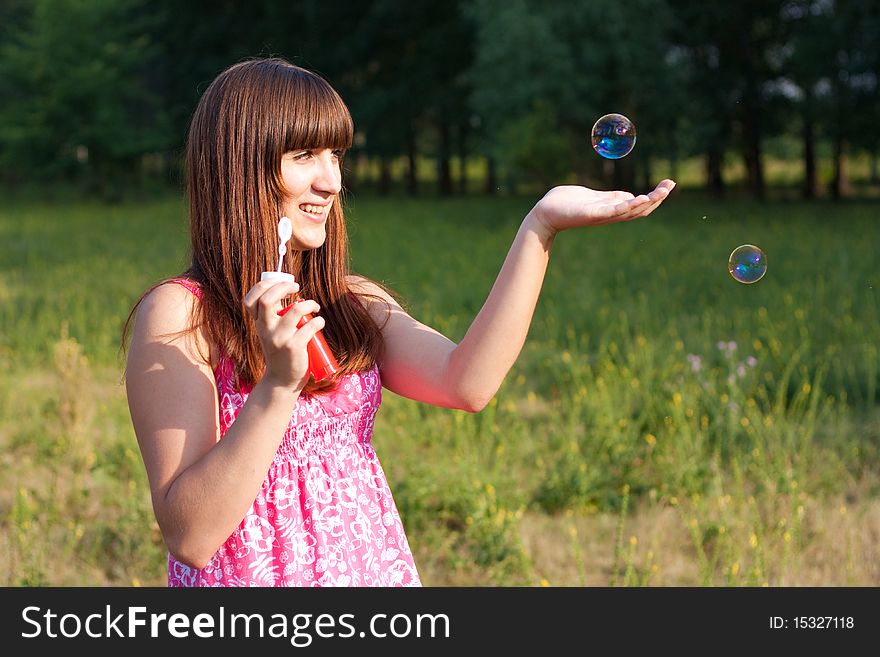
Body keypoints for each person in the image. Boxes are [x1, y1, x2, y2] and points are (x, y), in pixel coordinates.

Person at [123, 57, 675, 588]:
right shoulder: (181, 315)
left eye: (336, 155)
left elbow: (467, 382)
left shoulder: (349, 303)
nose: (330, 181)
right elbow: (191, 536)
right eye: (304, 155)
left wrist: (540, 227)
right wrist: (278, 385)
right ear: (239, 165)